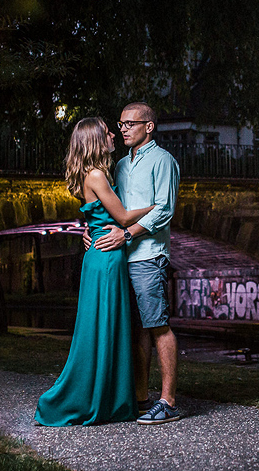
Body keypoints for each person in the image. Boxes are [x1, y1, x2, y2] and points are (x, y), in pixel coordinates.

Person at [34, 117, 156, 427]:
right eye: (107, 132)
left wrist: (90, 230)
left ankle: (110, 395)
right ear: (94, 141)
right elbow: (125, 217)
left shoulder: (95, 174)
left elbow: (99, 218)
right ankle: (98, 398)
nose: (114, 134)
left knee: (104, 327)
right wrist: (158, 206)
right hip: (106, 259)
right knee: (105, 326)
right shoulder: (98, 175)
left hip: (100, 256)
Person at [94, 101, 181, 425]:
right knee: (135, 330)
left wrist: (127, 234)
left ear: (149, 126)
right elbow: (109, 210)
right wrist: (92, 233)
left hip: (147, 256)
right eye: (121, 124)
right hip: (120, 257)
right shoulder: (118, 166)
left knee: (157, 325)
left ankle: (168, 401)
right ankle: (142, 399)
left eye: (131, 123)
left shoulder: (163, 161)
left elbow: (164, 210)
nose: (124, 129)